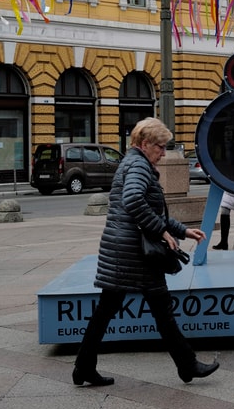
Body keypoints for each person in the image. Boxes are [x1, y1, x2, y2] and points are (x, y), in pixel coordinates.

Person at [73, 118, 220, 387]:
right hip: (134, 253)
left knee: (107, 309)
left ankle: (83, 367)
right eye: (160, 147)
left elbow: (151, 211)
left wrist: (182, 231)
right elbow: (133, 200)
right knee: (161, 309)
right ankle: (187, 365)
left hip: (123, 251)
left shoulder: (133, 163)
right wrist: (161, 232)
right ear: (144, 143)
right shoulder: (139, 165)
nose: (163, 153)